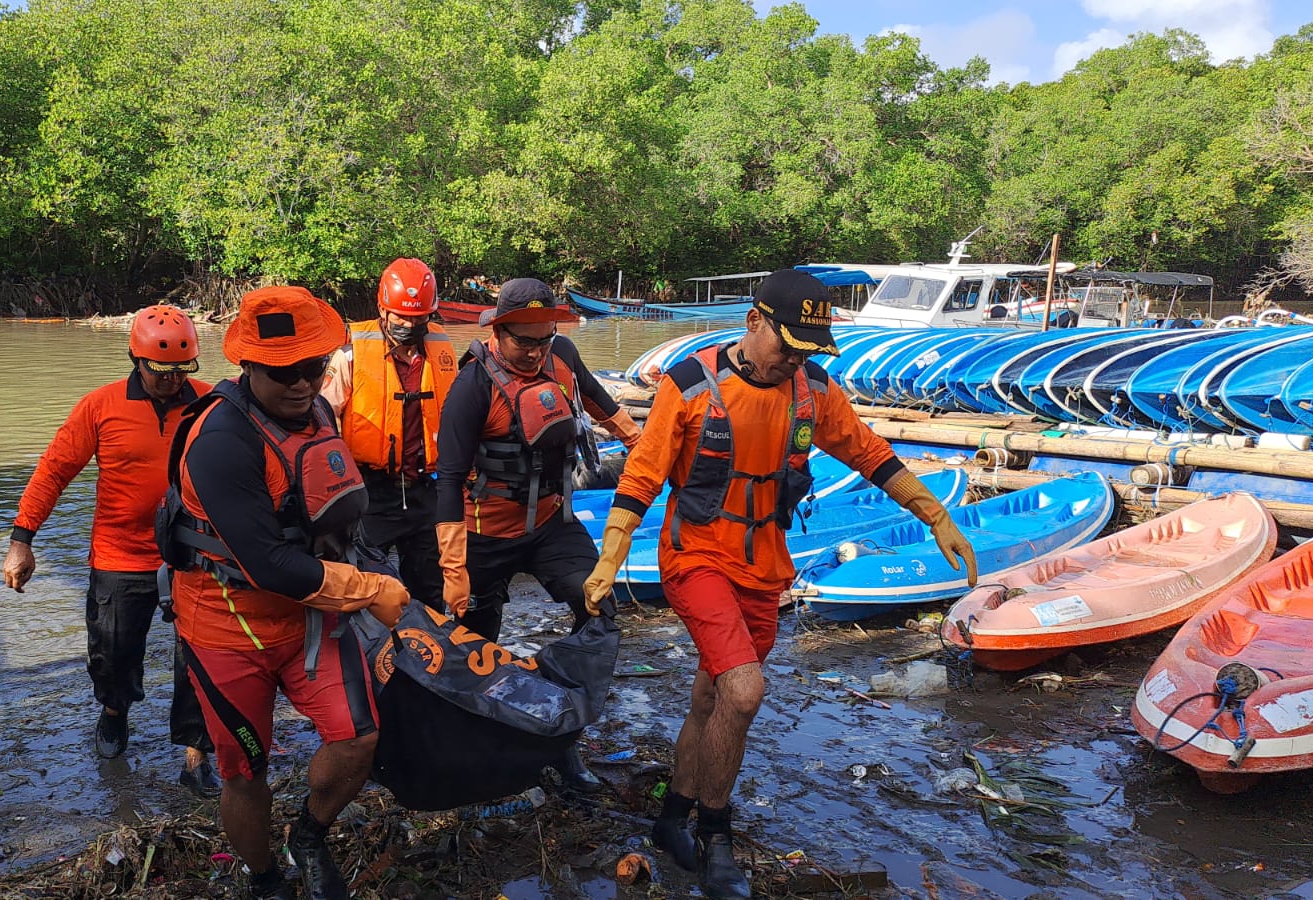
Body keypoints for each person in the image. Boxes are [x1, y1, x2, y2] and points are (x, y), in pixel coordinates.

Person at [581, 270, 979, 899]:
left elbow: (870, 454)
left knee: (712, 700)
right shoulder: (690, 386)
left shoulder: (811, 391)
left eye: (807, 348)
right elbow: (643, 473)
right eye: (787, 344)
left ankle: (670, 818)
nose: (794, 359)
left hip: (765, 565)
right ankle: (716, 838)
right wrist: (611, 557)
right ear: (754, 322)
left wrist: (937, 517)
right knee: (744, 692)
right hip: (696, 556)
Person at [164, 286, 409, 900]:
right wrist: (369, 586)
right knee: (246, 771)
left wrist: (368, 567)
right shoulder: (221, 441)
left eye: (313, 368)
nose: (302, 384)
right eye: (283, 373)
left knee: (359, 737)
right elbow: (268, 563)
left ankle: (309, 832)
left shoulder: (318, 410)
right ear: (247, 367)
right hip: (227, 626)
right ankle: (264, 877)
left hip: (308, 616)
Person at [432, 277, 641, 794]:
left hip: (553, 524)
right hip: (486, 535)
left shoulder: (564, 355)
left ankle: (563, 734)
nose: (533, 351)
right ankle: (481, 742)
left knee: (597, 607)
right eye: (522, 341)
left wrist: (643, 446)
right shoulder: (472, 386)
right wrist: (454, 571)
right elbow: (451, 480)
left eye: (542, 339)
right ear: (498, 333)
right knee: (477, 644)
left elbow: (601, 404)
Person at [2, 304, 219, 795]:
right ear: (136, 359)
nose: (171, 380)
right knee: (114, 655)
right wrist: (22, 539)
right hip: (121, 555)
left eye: (182, 369)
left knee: (204, 658)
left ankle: (195, 754)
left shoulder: (210, 404)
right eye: (161, 369)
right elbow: (54, 470)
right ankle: (115, 712)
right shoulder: (99, 407)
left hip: (194, 553)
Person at [319, 258, 455, 609]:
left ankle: (427, 657)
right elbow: (320, 419)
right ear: (383, 308)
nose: (409, 324)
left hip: (425, 490)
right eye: (401, 317)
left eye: (418, 317)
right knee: (366, 588)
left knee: (430, 591)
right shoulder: (350, 357)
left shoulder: (441, 353)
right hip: (370, 494)